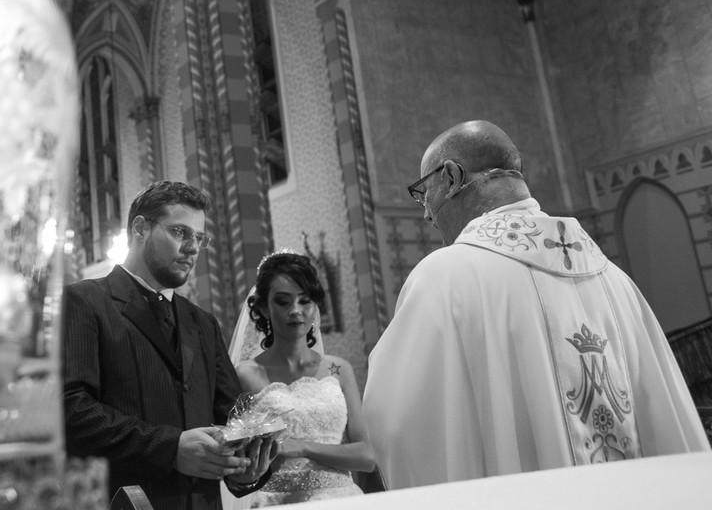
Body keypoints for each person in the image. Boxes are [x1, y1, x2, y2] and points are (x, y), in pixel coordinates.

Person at [363, 120, 710, 489]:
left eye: (424, 193)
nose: (427, 214)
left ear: (451, 177)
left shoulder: (445, 278)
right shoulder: (614, 278)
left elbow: (397, 421)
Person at [63, 180, 279, 510]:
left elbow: (232, 419)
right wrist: (170, 448)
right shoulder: (85, 301)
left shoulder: (203, 323)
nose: (193, 248)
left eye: (199, 238)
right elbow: (70, 409)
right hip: (126, 501)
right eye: (180, 232)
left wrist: (244, 467)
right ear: (140, 229)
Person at [224, 251, 376, 506]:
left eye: (305, 301)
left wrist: (303, 447)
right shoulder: (245, 375)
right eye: (283, 302)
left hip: (342, 501)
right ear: (264, 308)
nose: (295, 311)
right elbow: (236, 460)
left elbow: (367, 456)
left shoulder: (339, 369)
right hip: (277, 501)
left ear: (315, 306)